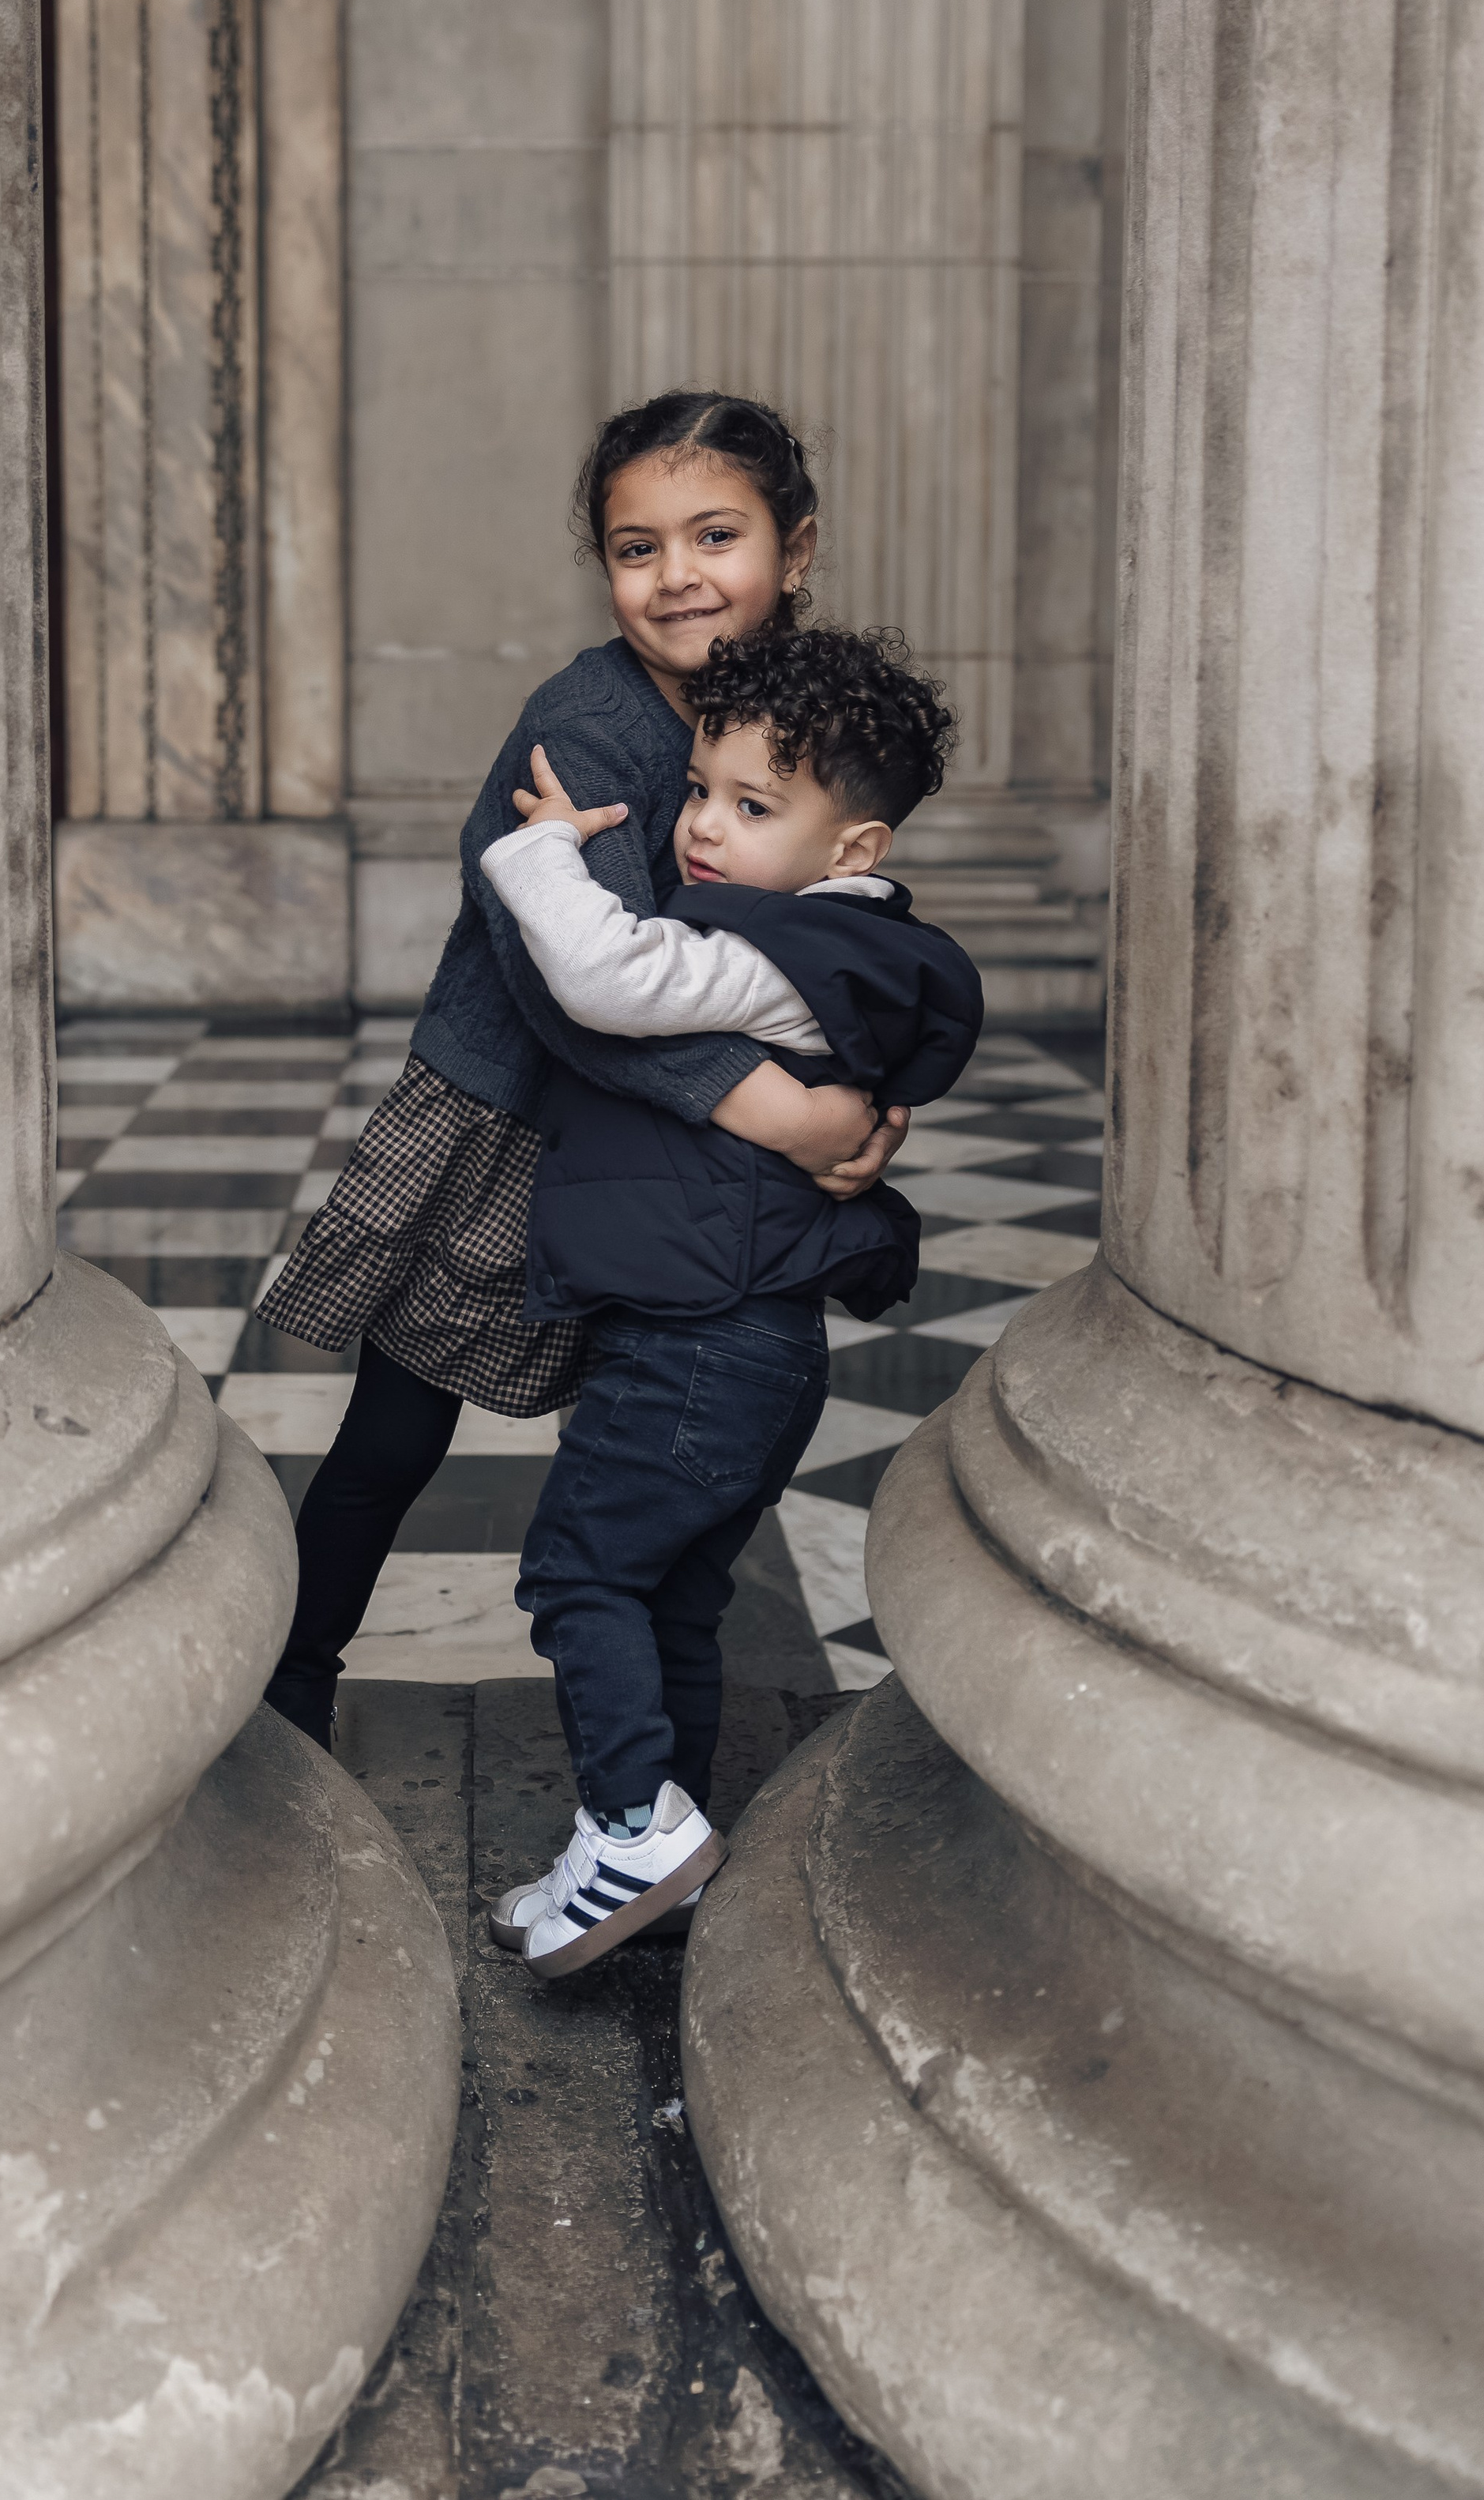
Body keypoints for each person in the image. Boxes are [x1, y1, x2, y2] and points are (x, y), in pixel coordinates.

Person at [254, 395, 909, 1749]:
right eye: (635, 546)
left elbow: (843, 915)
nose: (678, 576)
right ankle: (291, 1682)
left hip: (671, 1142)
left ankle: (648, 1727)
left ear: (795, 550)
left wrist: (873, 1088)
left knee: (652, 1413)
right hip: (520, 1116)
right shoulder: (586, 727)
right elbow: (578, 987)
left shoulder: (793, 712)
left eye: (715, 535)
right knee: (395, 1428)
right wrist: (778, 1110)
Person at [474, 622, 982, 1980]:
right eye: (701, 790)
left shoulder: (789, 949)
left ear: (851, 851)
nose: (702, 828)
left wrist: (537, 854)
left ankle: (633, 1826)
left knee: (579, 1574)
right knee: (672, 1602)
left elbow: (609, 975)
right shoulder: (833, 938)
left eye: (751, 808)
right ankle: (656, 1853)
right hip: (744, 1346)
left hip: (701, 1348)